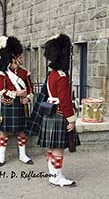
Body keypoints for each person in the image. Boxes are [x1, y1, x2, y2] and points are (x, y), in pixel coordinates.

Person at [37, 34, 76, 187]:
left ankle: (53, 175)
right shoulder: (62, 76)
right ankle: (58, 177)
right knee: (58, 148)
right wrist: (71, 119)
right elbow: (65, 100)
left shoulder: (52, 74)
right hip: (60, 113)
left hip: (50, 113)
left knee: (52, 148)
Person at [0, 36, 34, 167]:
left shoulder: (25, 73)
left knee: (21, 130)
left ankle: (23, 155)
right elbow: (1, 90)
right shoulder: (3, 73)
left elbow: (31, 90)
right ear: (13, 58)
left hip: (21, 106)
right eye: (20, 57)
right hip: (8, 104)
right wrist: (17, 94)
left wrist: (28, 98)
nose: (22, 59)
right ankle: (1, 156)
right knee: (4, 131)